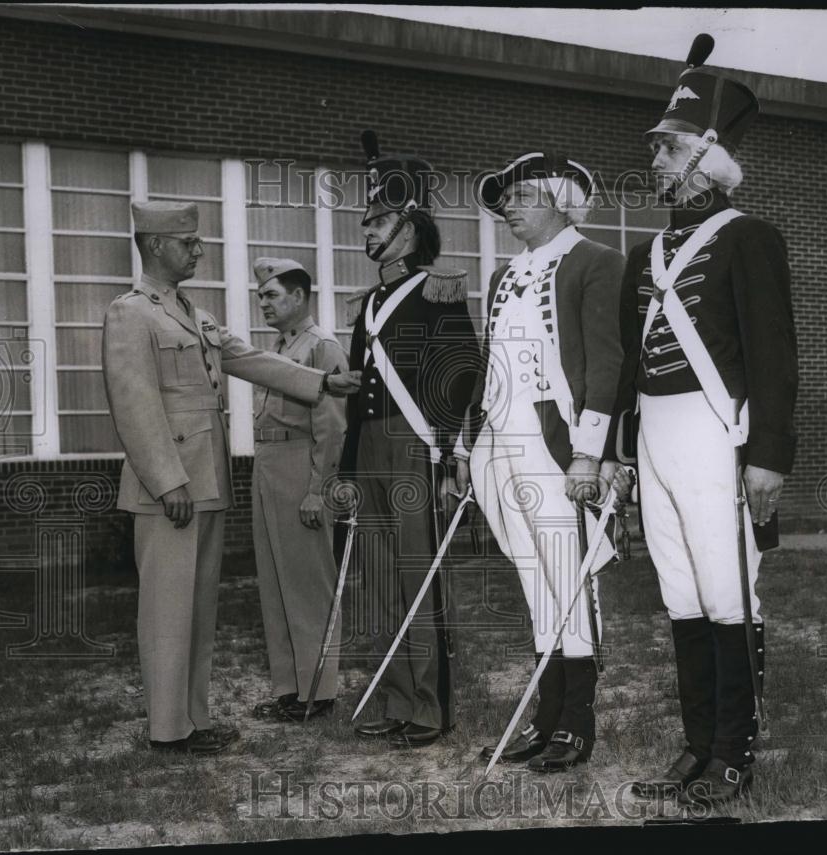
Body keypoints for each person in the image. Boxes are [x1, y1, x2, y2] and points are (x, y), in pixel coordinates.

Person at [602, 35, 799, 806]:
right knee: (680, 593)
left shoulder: (748, 238)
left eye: (669, 146)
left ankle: (733, 754)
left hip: (718, 432)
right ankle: (696, 747)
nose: (655, 160)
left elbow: (774, 357)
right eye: (657, 147)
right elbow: (628, 364)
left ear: (707, 156)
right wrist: (619, 450)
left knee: (727, 593)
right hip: (654, 434)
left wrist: (769, 456)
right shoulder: (644, 253)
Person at [103, 201, 360, 755]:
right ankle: (168, 730)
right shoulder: (132, 313)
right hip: (170, 487)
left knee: (196, 610)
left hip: (207, 484)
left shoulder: (192, 313)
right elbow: (134, 405)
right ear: (154, 246)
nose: (198, 250)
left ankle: (190, 721)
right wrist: (167, 481)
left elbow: (246, 360)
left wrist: (324, 384)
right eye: (187, 242)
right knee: (168, 610)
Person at [454, 151, 625, 771]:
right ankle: (546, 718)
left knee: (570, 584)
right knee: (536, 586)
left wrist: (591, 453)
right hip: (503, 446)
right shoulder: (504, 275)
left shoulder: (597, 261)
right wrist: (470, 443)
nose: (508, 207)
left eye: (523, 195)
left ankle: (576, 725)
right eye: (505, 197)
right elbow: (491, 363)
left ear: (561, 198)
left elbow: (607, 362)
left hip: (559, 449)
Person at [340, 131, 481, 749]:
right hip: (370, 448)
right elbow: (355, 396)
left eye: (380, 220)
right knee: (376, 576)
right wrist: (346, 468)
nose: (368, 232)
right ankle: (397, 698)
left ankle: (430, 707)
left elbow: (460, 375)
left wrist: (449, 453)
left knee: (417, 575)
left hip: (413, 447)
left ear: (412, 225)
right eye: (368, 220)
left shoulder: (438, 291)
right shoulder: (366, 304)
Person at [249, 257, 348, 724]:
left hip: (300, 467)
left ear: (299, 296)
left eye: (271, 294)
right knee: (276, 584)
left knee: (309, 584)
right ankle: (290, 688)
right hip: (269, 466)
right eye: (261, 295)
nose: (262, 303)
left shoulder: (321, 347)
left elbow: (331, 427)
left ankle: (318, 691)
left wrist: (318, 489)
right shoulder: (282, 345)